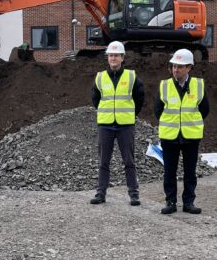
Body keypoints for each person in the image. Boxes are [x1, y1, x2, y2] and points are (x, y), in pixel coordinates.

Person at [154, 48, 209, 215]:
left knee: (190, 172)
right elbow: (158, 110)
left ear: (189, 68)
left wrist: (189, 123)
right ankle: (170, 202)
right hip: (169, 136)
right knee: (169, 172)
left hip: (191, 136)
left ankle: (189, 202)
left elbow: (205, 109)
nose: (175, 70)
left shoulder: (198, 85)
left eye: (179, 66)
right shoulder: (164, 85)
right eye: (173, 66)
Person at [90, 41, 144, 206]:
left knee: (129, 161)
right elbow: (95, 99)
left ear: (122, 57)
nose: (113, 58)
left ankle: (134, 194)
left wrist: (129, 114)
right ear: (107, 57)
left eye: (116, 55)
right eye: (110, 55)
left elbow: (139, 98)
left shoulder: (132, 77)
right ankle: (101, 194)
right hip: (105, 125)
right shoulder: (100, 77)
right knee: (103, 162)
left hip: (125, 126)